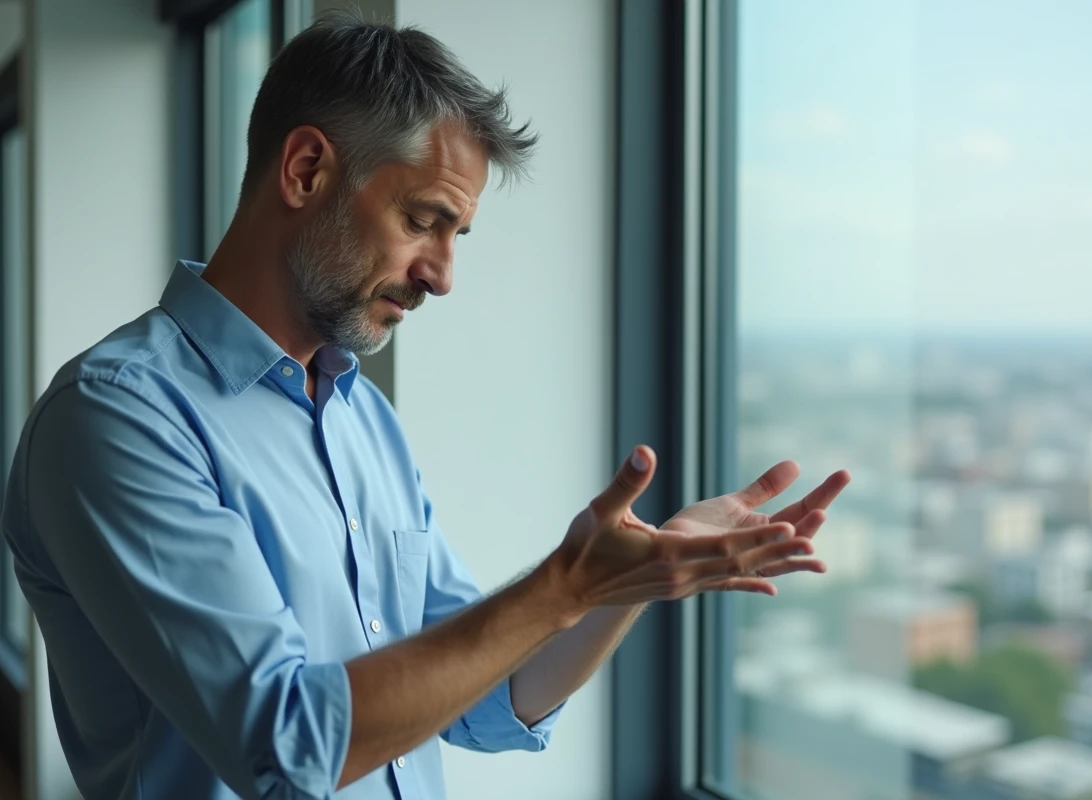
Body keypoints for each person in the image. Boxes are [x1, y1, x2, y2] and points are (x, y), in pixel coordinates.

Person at [1, 11, 849, 800]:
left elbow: (482, 700)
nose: (443, 274)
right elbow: (287, 746)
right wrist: (558, 586)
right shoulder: (117, 419)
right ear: (306, 170)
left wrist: (619, 582)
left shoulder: (362, 420)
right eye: (423, 220)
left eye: (456, 235)